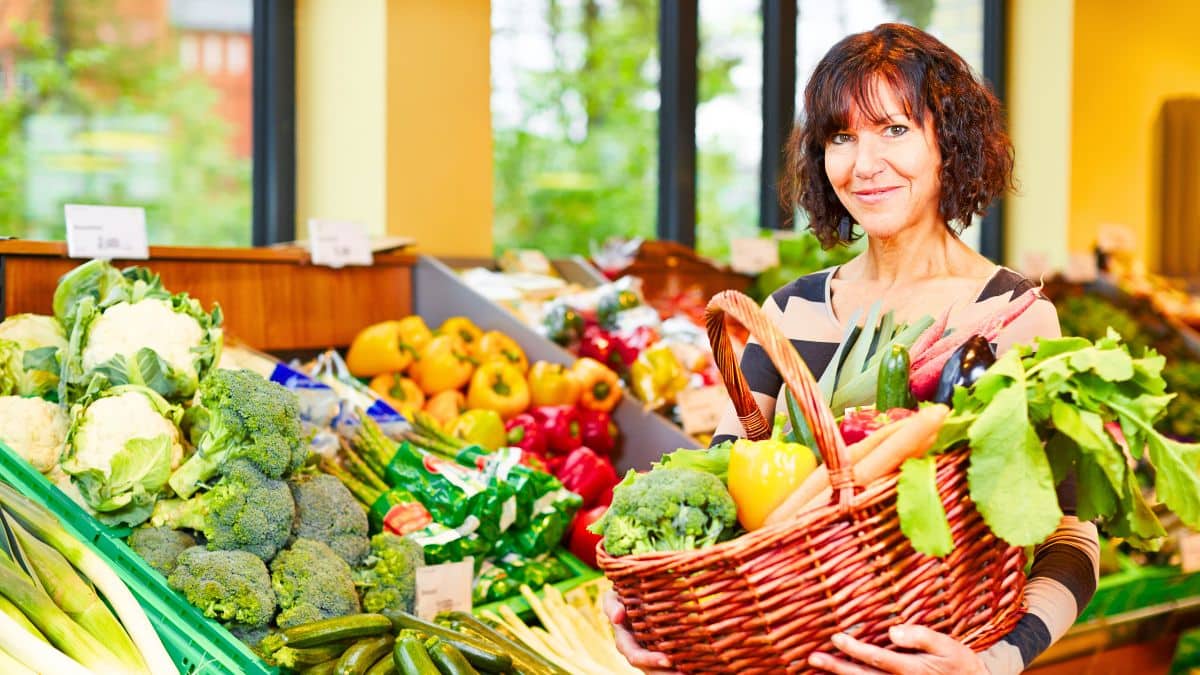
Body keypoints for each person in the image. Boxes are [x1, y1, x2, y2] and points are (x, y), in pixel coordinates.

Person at [605, 23, 1099, 675]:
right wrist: (643, 587)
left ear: (950, 141)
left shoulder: (1012, 316)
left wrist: (992, 663)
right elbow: (720, 488)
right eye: (841, 136)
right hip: (781, 655)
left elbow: (1071, 534)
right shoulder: (790, 311)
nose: (863, 165)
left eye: (894, 129)